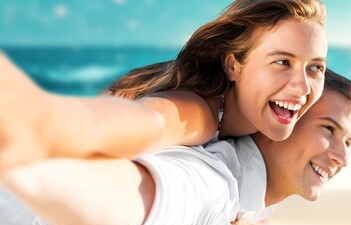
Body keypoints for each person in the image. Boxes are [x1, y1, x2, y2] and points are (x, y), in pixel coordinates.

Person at [0, 69, 351, 225]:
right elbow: (138, 196)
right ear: (279, 122)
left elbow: (260, 211)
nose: (341, 158)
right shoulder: (211, 182)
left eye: (347, 141)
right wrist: (31, 146)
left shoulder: (255, 193)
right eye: (328, 129)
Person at [0, 0, 327, 171]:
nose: (302, 86)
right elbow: (155, 121)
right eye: (282, 62)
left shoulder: (258, 120)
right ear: (232, 65)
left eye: (315, 68)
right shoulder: (201, 109)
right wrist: (54, 126)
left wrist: (259, 224)